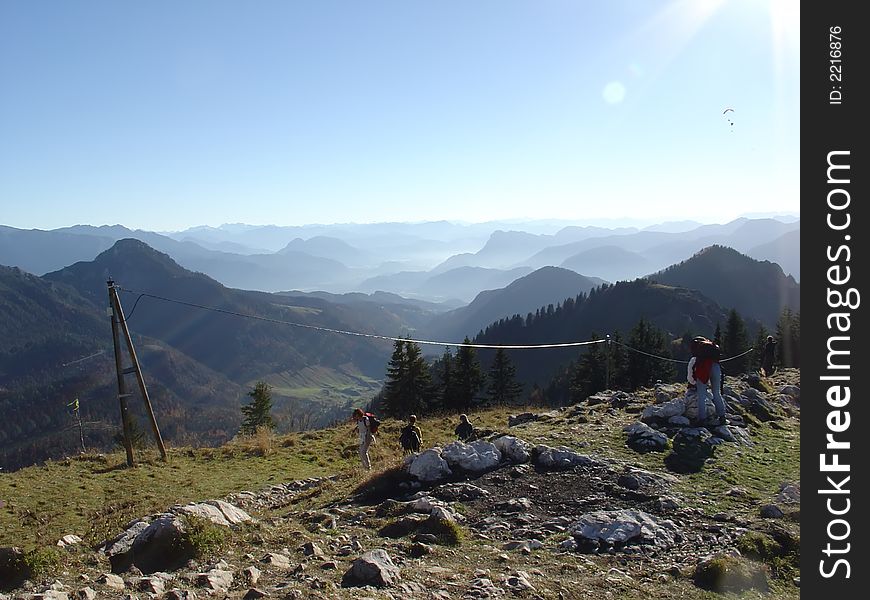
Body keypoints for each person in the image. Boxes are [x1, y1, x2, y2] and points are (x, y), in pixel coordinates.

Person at [688, 337, 727, 427]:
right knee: (716, 393)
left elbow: (692, 368)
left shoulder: (698, 350)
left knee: (701, 395)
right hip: (716, 366)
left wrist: (693, 381)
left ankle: (702, 419)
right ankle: (722, 417)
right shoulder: (711, 346)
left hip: (703, 368)